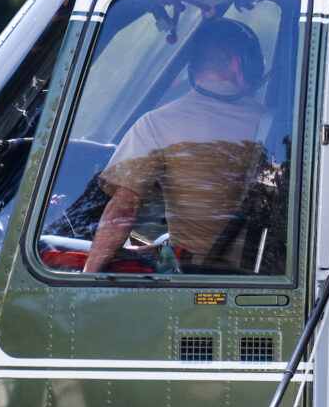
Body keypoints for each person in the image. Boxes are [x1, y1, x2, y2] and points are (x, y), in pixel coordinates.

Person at [85, 17, 276, 275]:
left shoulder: (156, 124)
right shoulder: (276, 129)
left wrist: (89, 273)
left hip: (195, 284)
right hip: (265, 277)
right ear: (240, 64)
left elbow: (124, 207)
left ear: (193, 68)